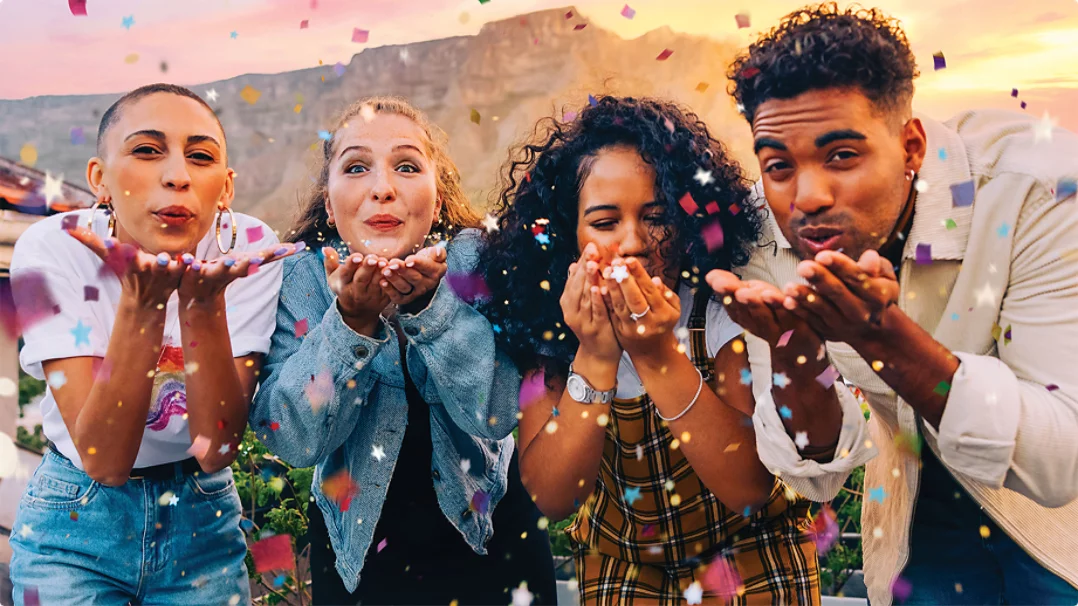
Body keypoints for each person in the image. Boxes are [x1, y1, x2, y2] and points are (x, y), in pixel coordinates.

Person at [707, 4, 1078, 604]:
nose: (808, 197)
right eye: (778, 165)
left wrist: (882, 340)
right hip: (914, 504)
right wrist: (796, 352)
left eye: (841, 156)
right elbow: (819, 475)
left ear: (911, 146)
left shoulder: (1041, 193)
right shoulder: (764, 239)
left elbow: (1063, 460)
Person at [479, 95, 823, 604]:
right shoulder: (554, 327)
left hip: (752, 551)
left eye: (657, 217)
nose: (634, 241)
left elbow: (750, 487)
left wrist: (655, 355)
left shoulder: (716, 304)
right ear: (568, 238)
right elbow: (553, 497)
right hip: (625, 562)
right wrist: (595, 358)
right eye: (604, 222)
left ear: (686, 227)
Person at [249, 96, 556, 605]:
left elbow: (498, 414)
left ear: (436, 200)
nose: (383, 188)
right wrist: (350, 324)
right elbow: (292, 440)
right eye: (356, 167)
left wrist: (433, 310)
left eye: (407, 166)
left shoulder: (478, 263)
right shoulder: (301, 280)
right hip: (361, 565)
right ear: (330, 203)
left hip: (495, 544)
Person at [8, 83, 292, 605]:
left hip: (202, 522)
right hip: (75, 520)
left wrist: (204, 306)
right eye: (146, 150)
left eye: (201, 157)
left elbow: (216, 449)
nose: (178, 175)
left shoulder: (249, 250)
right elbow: (105, 460)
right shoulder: (52, 250)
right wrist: (144, 305)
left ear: (225, 188)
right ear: (101, 179)